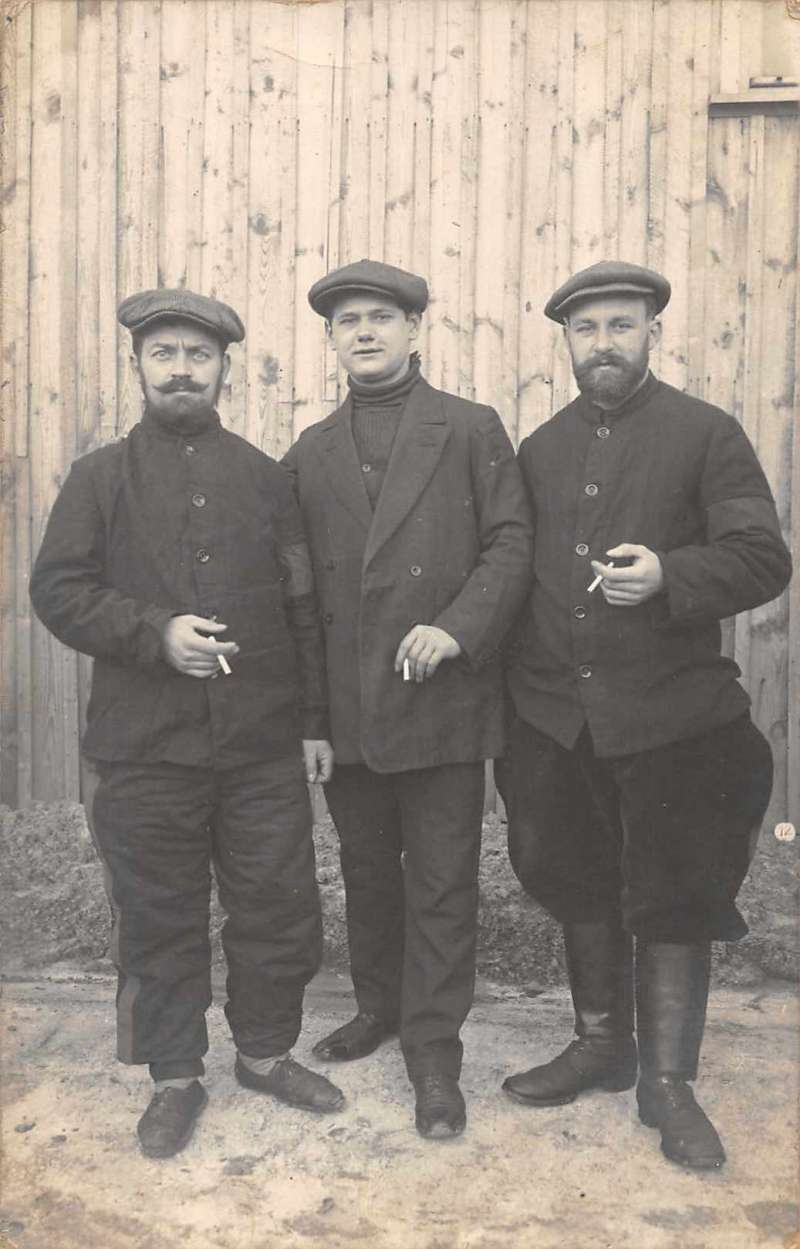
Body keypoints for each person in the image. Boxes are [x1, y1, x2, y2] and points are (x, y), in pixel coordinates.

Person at [30, 289, 344, 1159]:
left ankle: (266, 1052)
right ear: (137, 366)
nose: (180, 369)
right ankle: (175, 1074)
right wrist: (153, 632)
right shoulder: (99, 478)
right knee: (160, 915)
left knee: (277, 907)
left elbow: (304, 608)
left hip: (261, 749)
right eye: (163, 353)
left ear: (224, 370)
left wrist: (313, 723)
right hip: (144, 749)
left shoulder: (265, 478)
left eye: (196, 356)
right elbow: (57, 590)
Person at [500, 260, 792, 1170]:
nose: (604, 346)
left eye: (621, 327)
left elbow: (761, 558)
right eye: (587, 331)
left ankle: (667, 1084)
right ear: (567, 343)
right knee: (575, 876)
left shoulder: (706, 434)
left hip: (674, 719)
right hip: (558, 722)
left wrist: (672, 574)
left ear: (653, 333)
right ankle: (601, 1045)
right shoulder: (540, 449)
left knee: (673, 891)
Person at [283, 259, 533, 1138]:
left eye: (381, 317)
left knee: (439, 881)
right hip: (350, 713)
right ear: (330, 339)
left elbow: (511, 544)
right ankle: (379, 1005)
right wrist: (311, 719)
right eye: (346, 319)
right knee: (364, 873)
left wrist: (458, 627)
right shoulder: (310, 452)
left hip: (444, 700)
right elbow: (300, 600)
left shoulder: (469, 429)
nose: (364, 332)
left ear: (416, 330)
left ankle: (434, 1048)